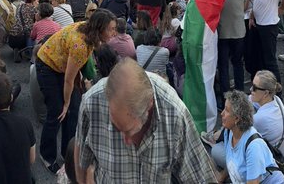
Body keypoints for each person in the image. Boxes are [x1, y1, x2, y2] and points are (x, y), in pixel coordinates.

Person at [74, 58, 215, 183]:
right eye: (116, 127)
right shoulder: (91, 104)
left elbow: (200, 176)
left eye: (129, 131)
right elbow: (81, 157)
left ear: (149, 106)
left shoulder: (175, 113)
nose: (125, 141)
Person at [35, 10, 115, 173]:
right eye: (111, 29)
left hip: (61, 65)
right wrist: (65, 103)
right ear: (99, 29)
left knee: (74, 111)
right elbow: (68, 80)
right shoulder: (81, 45)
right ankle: (47, 156)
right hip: (47, 66)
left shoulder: (88, 30)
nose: (114, 33)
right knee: (57, 112)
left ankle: (68, 152)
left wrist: (70, 102)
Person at [182, 0, 226, 132]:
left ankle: (204, 124)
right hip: (208, 45)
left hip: (198, 47)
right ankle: (204, 119)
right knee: (205, 82)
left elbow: (195, 26)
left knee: (201, 83)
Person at [212, 89, 284, 184]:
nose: (222, 113)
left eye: (227, 110)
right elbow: (232, 159)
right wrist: (221, 178)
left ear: (237, 118)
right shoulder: (229, 131)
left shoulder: (253, 147)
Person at [216, 0, 248, 95]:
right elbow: (244, 6)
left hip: (221, 31)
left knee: (223, 65)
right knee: (238, 63)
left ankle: (225, 96)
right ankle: (240, 93)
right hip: (238, 30)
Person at [250, 70, 284, 160]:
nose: (250, 90)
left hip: (273, 162)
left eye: (254, 88)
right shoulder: (276, 99)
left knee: (219, 150)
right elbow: (249, 99)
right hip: (283, 156)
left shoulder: (260, 118)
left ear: (266, 93)